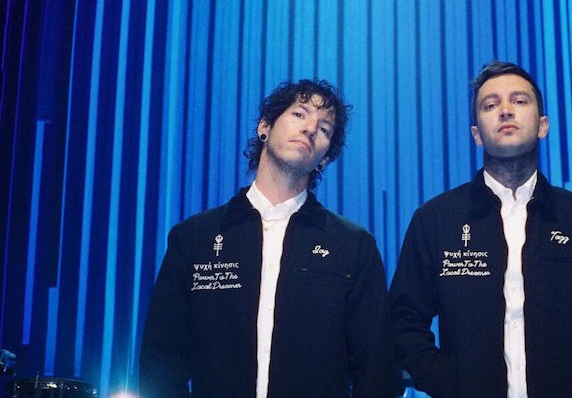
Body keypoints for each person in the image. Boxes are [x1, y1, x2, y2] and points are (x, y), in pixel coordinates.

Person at [389, 61, 572, 397]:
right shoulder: (435, 220)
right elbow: (403, 320)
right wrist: (447, 384)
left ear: (542, 125)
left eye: (519, 101)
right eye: (490, 105)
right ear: (476, 134)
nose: (506, 110)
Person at [140, 79, 394, 397]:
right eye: (299, 114)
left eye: (324, 129)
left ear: (325, 157)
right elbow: (161, 358)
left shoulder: (353, 246)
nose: (310, 128)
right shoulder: (194, 238)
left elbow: (377, 369)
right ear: (265, 127)